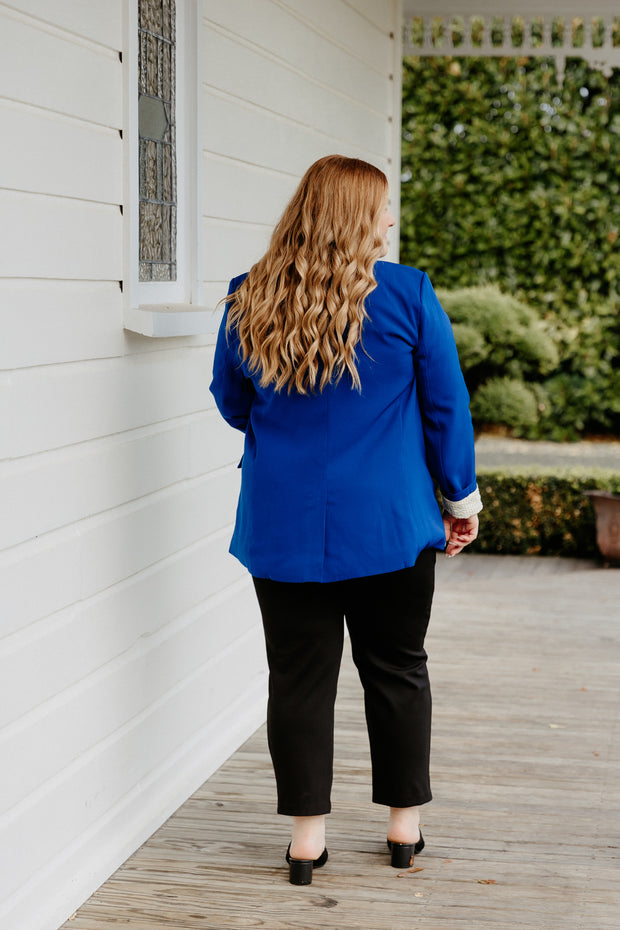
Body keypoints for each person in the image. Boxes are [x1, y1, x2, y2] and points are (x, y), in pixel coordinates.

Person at [210, 154, 481, 885]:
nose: (389, 220)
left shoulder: (247, 296)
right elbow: (445, 408)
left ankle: (306, 841)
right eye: (384, 207)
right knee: (397, 670)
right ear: (359, 215)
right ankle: (402, 828)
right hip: (391, 525)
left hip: (282, 525)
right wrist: (461, 501)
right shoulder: (407, 295)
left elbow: (233, 404)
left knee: (297, 678)